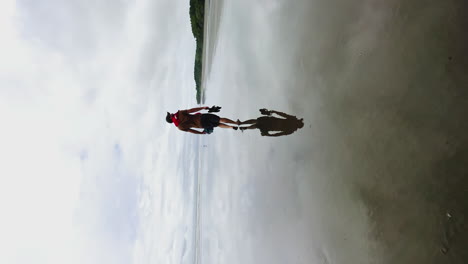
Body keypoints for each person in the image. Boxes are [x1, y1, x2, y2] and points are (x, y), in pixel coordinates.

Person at [166, 106, 240, 134]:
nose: (171, 113)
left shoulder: (179, 127)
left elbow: (191, 131)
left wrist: (200, 133)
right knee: (219, 119)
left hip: (202, 125)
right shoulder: (179, 113)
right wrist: (202, 108)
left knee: (217, 124)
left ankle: (231, 127)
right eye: (169, 115)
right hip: (201, 117)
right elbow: (191, 110)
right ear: (170, 118)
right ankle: (235, 123)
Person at [239, 109, 304, 137]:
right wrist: (269, 135)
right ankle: (245, 127)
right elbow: (279, 134)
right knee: (257, 125)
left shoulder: (293, 120)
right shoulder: (291, 130)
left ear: (298, 122)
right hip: (272, 126)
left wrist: (275, 111)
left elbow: (283, 114)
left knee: (256, 121)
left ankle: (242, 124)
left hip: (273, 121)